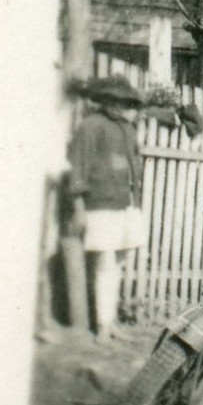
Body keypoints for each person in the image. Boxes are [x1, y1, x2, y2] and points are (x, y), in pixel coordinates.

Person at [67, 74, 146, 343]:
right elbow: (78, 166)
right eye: (114, 100)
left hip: (126, 204)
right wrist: (79, 206)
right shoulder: (91, 125)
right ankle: (102, 325)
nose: (120, 106)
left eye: (125, 101)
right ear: (105, 100)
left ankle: (110, 322)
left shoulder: (128, 128)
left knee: (119, 264)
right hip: (99, 204)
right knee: (104, 263)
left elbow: (134, 165)